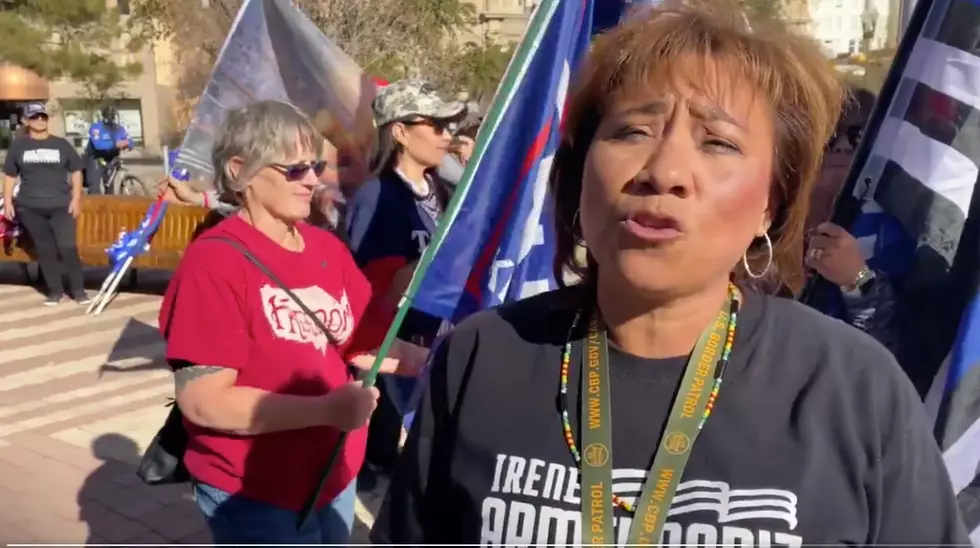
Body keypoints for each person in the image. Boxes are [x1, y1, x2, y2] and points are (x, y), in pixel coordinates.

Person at [371, 4, 969, 545]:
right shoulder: (483, 355)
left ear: (772, 202)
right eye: (633, 130)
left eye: (717, 142)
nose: (665, 171)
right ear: (579, 175)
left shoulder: (854, 388)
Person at [158, 100, 427, 544]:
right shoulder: (214, 262)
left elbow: (360, 340)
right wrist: (325, 411)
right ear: (241, 170)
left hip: (333, 474)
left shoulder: (326, 249)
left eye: (315, 166)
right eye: (295, 169)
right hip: (254, 490)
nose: (313, 180)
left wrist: (433, 360)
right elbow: (204, 402)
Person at [345, 79, 466, 480]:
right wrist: (435, 258)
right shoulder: (377, 195)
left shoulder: (447, 192)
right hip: (400, 348)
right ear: (399, 131)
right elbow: (373, 287)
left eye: (449, 125)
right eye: (435, 124)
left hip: (441, 339)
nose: (446, 135)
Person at [2, 102, 89, 306]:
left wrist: (76, 198)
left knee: (67, 247)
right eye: (35, 117)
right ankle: (55, 291)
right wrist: (8, 202)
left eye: (43, 117)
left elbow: (76, 170)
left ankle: (79, 291)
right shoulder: (19, 146)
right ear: (26, 121)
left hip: (61, 206)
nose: (40, 120)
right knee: (45, 249)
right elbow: (10, 175)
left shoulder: (61, 144)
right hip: (29, 207)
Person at [84, 105, 132, 195]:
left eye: (112, 116)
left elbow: (130, 142)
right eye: (108, 116)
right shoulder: (96, 127)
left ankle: (109, 205)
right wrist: (116, 144)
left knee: (110, 188)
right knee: (95, 189)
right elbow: (98, 145)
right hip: (96, 158)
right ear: (104, 116)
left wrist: (127, 143)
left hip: (111, 159)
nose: (110, 118)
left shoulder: (119, 129)